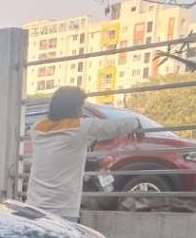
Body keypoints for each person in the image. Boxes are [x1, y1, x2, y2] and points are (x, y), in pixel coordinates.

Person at [27, 86, 141, 222]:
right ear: (75, 108)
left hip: (33, 207)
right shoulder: (81, 128)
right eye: (81, 107)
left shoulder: (37, 128)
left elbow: (60, 156)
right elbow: (116, 126)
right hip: (63, 211)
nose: (81, 112)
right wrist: (137, 123)